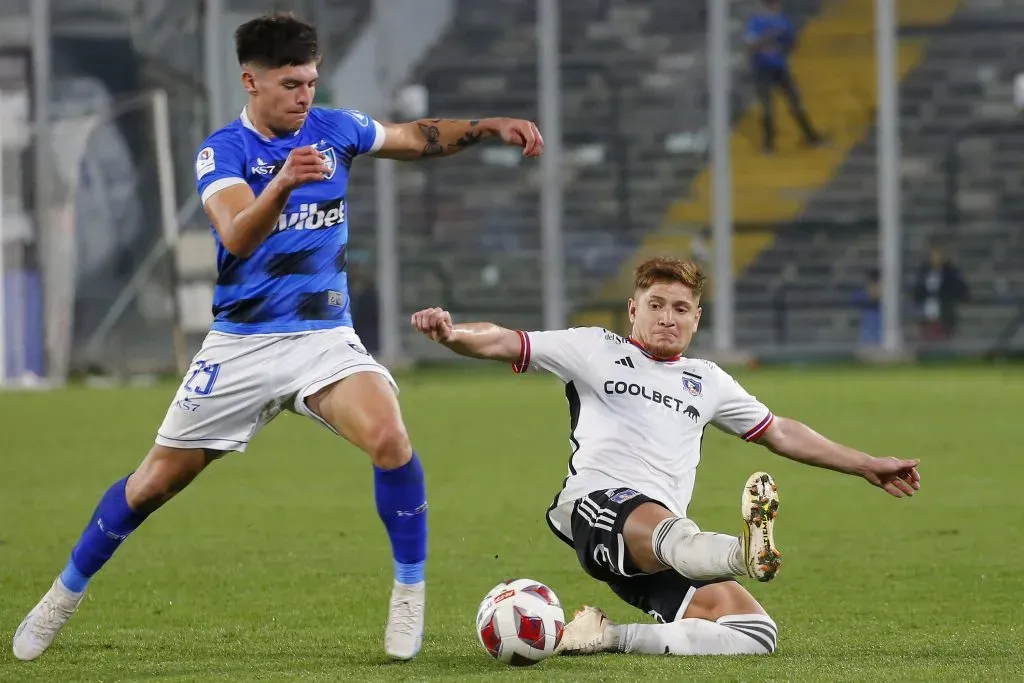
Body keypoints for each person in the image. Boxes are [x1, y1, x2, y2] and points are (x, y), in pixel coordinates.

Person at [12, 12, 544, 663]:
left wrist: (489, 127)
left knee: (390, 436)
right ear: (251, 81)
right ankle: (62, 594)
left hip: (323, 340)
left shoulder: (335, 129)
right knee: (151, 484)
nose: (305, 95)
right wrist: (285, 183)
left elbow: (414, 136)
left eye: (312, 81)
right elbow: (235, 233)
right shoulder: (223, 151)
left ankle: (409, 591)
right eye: (291, 83)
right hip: (240, 345)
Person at [411, 257, 920, 657]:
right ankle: (746, 555)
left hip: (663, 539)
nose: (667, 318)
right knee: (675, 535)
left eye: (680, 309)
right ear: (633, 310)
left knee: (753, 633)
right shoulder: (593, 348)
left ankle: (605, 636)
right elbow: (505, 340)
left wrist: (866, 463)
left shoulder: (708, 381)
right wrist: (453, 334)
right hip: (600, 507)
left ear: (697, 319)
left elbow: (780, 431)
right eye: (656, 305)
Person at [746, 0, 823, 153]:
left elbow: (793, 44)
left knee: (795, 103)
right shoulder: (755, 22)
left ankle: (811, 137)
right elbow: (750, 46)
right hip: (762, 69)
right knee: (767, 108)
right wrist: (769, 36)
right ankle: (768, 145)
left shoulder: (784, 21)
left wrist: (787, 43)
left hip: (780, 68)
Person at [913, 244, 968, 342]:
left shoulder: (950, 272)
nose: (936, 258)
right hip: (926, 314)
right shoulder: (924, 272)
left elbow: (959, 290)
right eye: (934, 255)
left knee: (944, 342)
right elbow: (917, 291)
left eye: (938, 255)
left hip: (944, 314)